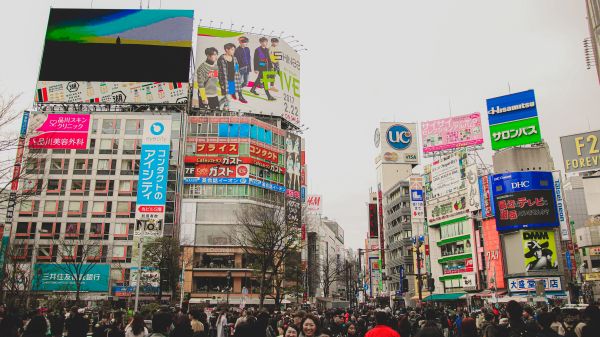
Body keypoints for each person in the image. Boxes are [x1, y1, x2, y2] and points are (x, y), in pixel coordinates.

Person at [218, 43, 247, 108]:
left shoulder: (234, 58)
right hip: (225, 81)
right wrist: (221, 83)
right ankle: (218, 105)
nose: (233, 51)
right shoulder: (221, 59)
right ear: (226, 50)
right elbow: (219, 72)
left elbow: (237, 69)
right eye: (232, 50)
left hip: (233, 81)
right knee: (228, 97)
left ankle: (225, 107)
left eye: (234, 50)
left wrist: (238, 77)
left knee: (229, 97)